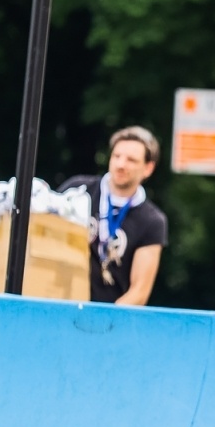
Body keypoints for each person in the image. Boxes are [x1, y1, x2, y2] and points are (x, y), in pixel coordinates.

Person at [59, 126, 168, 305]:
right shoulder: (77, 190)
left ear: (148, 168)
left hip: (108, 317)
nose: (121, 165)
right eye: (117, 156)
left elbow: (139, 291)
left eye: (131, 160)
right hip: (60, 306)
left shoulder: (152, 220)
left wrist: (106, 323)